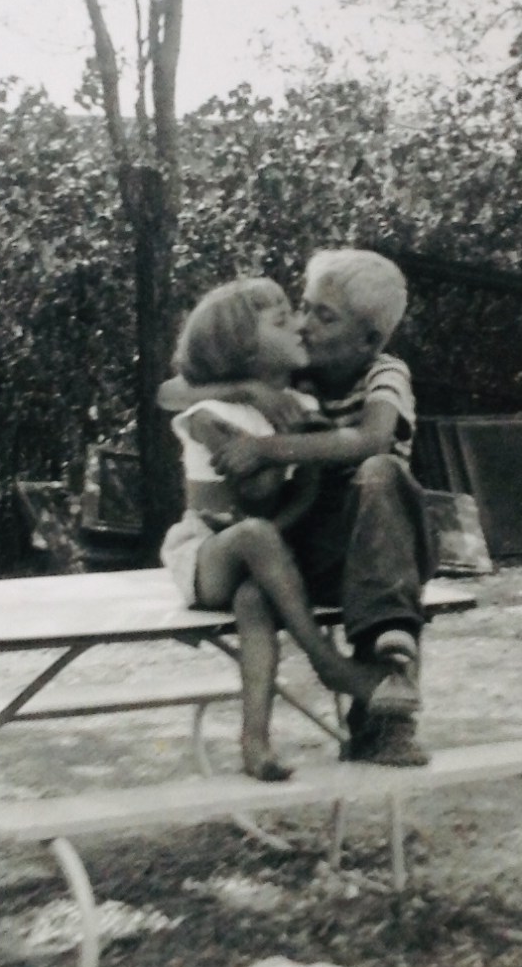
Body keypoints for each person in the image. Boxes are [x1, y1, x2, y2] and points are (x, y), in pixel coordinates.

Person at [160, 250, 438, 766]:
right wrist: (248, 390)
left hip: (376, 544)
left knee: (381, 477)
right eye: (303, 308)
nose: (305, 325)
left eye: (324, 316)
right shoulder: (295, 379)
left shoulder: (384, 373)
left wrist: (267, 449)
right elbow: (171, 392)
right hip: (300, 541)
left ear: (368, 341)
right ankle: (262, 737)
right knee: (253, 595)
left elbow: (372, 439)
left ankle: (388, 721)